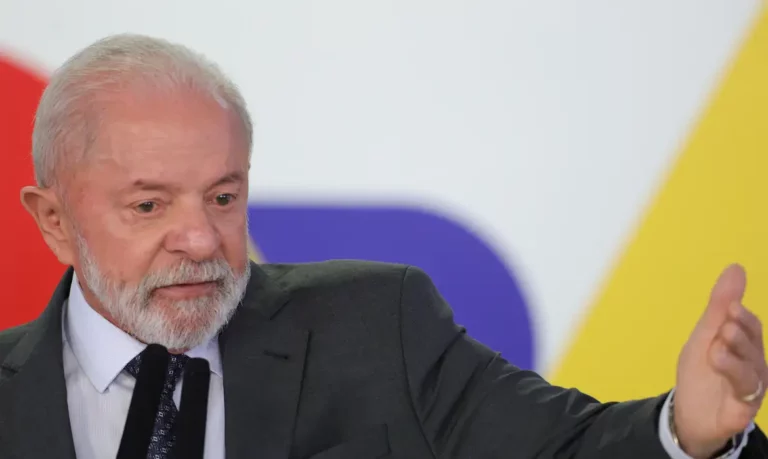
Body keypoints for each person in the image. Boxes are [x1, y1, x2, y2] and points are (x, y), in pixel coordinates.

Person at [0, 34, 766, 459]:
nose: (201, 237)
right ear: (54, 220)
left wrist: (689, 433)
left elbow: (564, 449)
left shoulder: (375, 327)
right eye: (148, 205)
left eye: (224, 196)